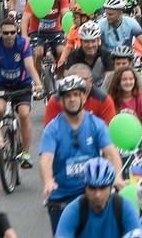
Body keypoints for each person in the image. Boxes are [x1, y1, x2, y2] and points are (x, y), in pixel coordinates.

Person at [39, 76, 124, 233]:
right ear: (61, 100)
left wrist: (117, 176)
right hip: (61, 197)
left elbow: (111, 153)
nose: (72, 99)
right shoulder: (53, 129)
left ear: (83, 98)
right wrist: (48, 180)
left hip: (90, 194)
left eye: (76, 95)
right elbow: (46, 158)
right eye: (67, 96)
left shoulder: (96, 124)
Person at [0, 18, 43, 169]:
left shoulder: (23, 44)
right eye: (5, 33)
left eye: (12, 32)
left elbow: (29, 65)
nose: (9, 36)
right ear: (0, 33)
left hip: (22, 85)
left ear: (17, 32)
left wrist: (38, 83)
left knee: (24, 114)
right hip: (2, 84)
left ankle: (25, 154)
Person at [56, 158, 140, 238]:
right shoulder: (73, 210)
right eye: (92, 188)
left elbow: (139, 235)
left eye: (102, 187)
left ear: (111, 187)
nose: (97, 194)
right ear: (85, 188)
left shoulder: (123, 207)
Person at [99, 0, 142, 70]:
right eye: (107, 14)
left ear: (120, 13)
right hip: (107, 61)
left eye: (111, 14)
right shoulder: (101, 24)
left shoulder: (131, 23)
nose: (108, 17)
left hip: (126, 60)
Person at [65, 22, 115, 89]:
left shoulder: (106, 54)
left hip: (102, 90)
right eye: (86, 42)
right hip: (79, 90)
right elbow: (67, 78)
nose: (90, 45)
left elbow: (110, 79)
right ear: (81, 42)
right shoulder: (73, 56)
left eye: (93, 41)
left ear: (98, 41)